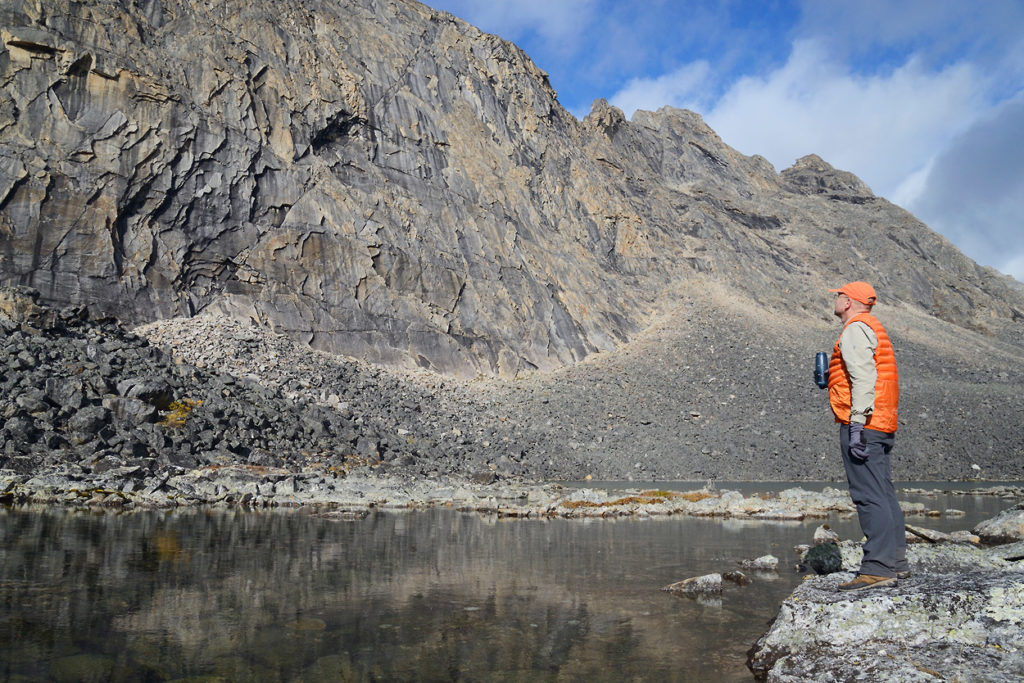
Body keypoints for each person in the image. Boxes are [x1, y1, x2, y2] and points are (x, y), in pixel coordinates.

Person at [826, 281, 909, 591]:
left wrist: (857, 425)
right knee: (884, 492)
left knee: (868, 495)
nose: (835, 299)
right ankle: (896, 563)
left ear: (849, 302)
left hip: (864, 424)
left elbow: (863, 377)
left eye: (838, 296)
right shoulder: (873, 326)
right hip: (883, 421)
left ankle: (877, 568)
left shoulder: (855, 329)